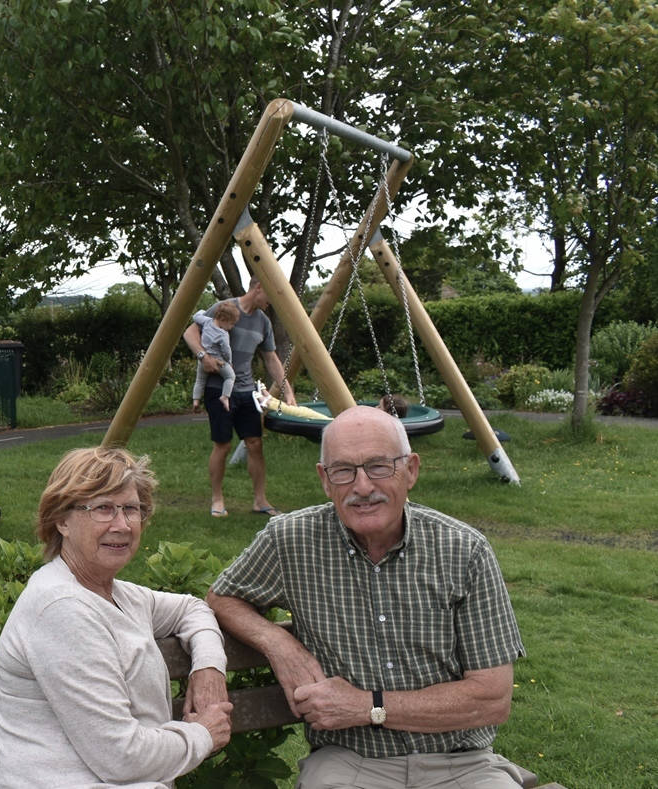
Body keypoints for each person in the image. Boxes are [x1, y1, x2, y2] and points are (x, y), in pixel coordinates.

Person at [207, 406, 527, 788]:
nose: (362, 487)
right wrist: (278, 643)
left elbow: (492, 698)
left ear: (411, 470)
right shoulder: (290, 541)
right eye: (344, 470)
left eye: (378, 466)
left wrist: (368, 706)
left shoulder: (464, 551)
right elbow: (223, 597)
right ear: (325, 480)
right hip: (350, 763)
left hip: (462, 764)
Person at [0, 447, 234, 788]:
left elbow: (192, 609)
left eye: (131, 509)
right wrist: (202, 734)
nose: (121, 525)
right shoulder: (61, 609)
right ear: (62, 521)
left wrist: (208, 667)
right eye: (103, 509)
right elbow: (122, 757)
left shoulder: (117, 594)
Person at [183, 277, 295, 518]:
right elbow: (190, 333)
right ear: (258, 288)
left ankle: (260, 501)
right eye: (270, 296)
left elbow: (271, 358)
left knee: (255, 443)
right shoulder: (224, 307)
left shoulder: (263, 322)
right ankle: (217, 499)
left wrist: (288, 391)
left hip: (246, 390)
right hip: (218, 388)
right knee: (222, 445)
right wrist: (203, 356)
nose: (271, 302)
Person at [190, 301, 239, 414]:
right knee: (230, 377)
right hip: (218, 362)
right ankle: (225, 397)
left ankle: (196, 400)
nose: (231, 327)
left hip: (203, 360)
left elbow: (196, 316)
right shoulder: (223, 334)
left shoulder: (207, 321)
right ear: (223, 320)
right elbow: (227, 351)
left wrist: (203, 311)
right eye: (231, 324)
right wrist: (229, 362)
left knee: (200, 380)